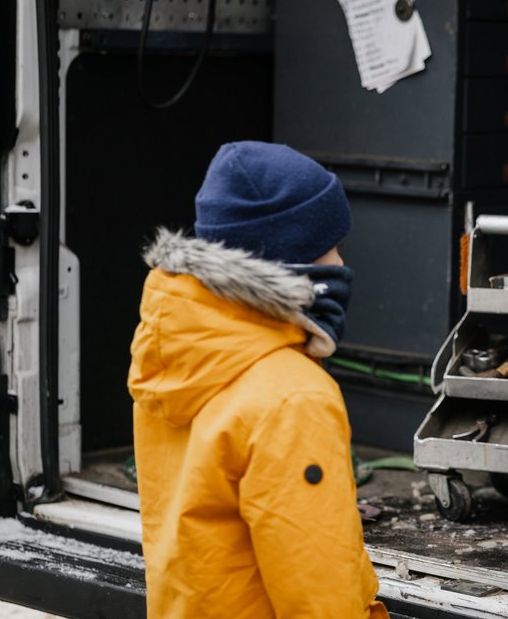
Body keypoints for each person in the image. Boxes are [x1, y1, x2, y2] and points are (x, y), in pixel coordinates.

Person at [128, 141, 388, 618]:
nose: (341, 265)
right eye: (334, 247)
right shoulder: (293, 397)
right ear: (292, 259)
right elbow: (318, 594)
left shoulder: (174, 360)